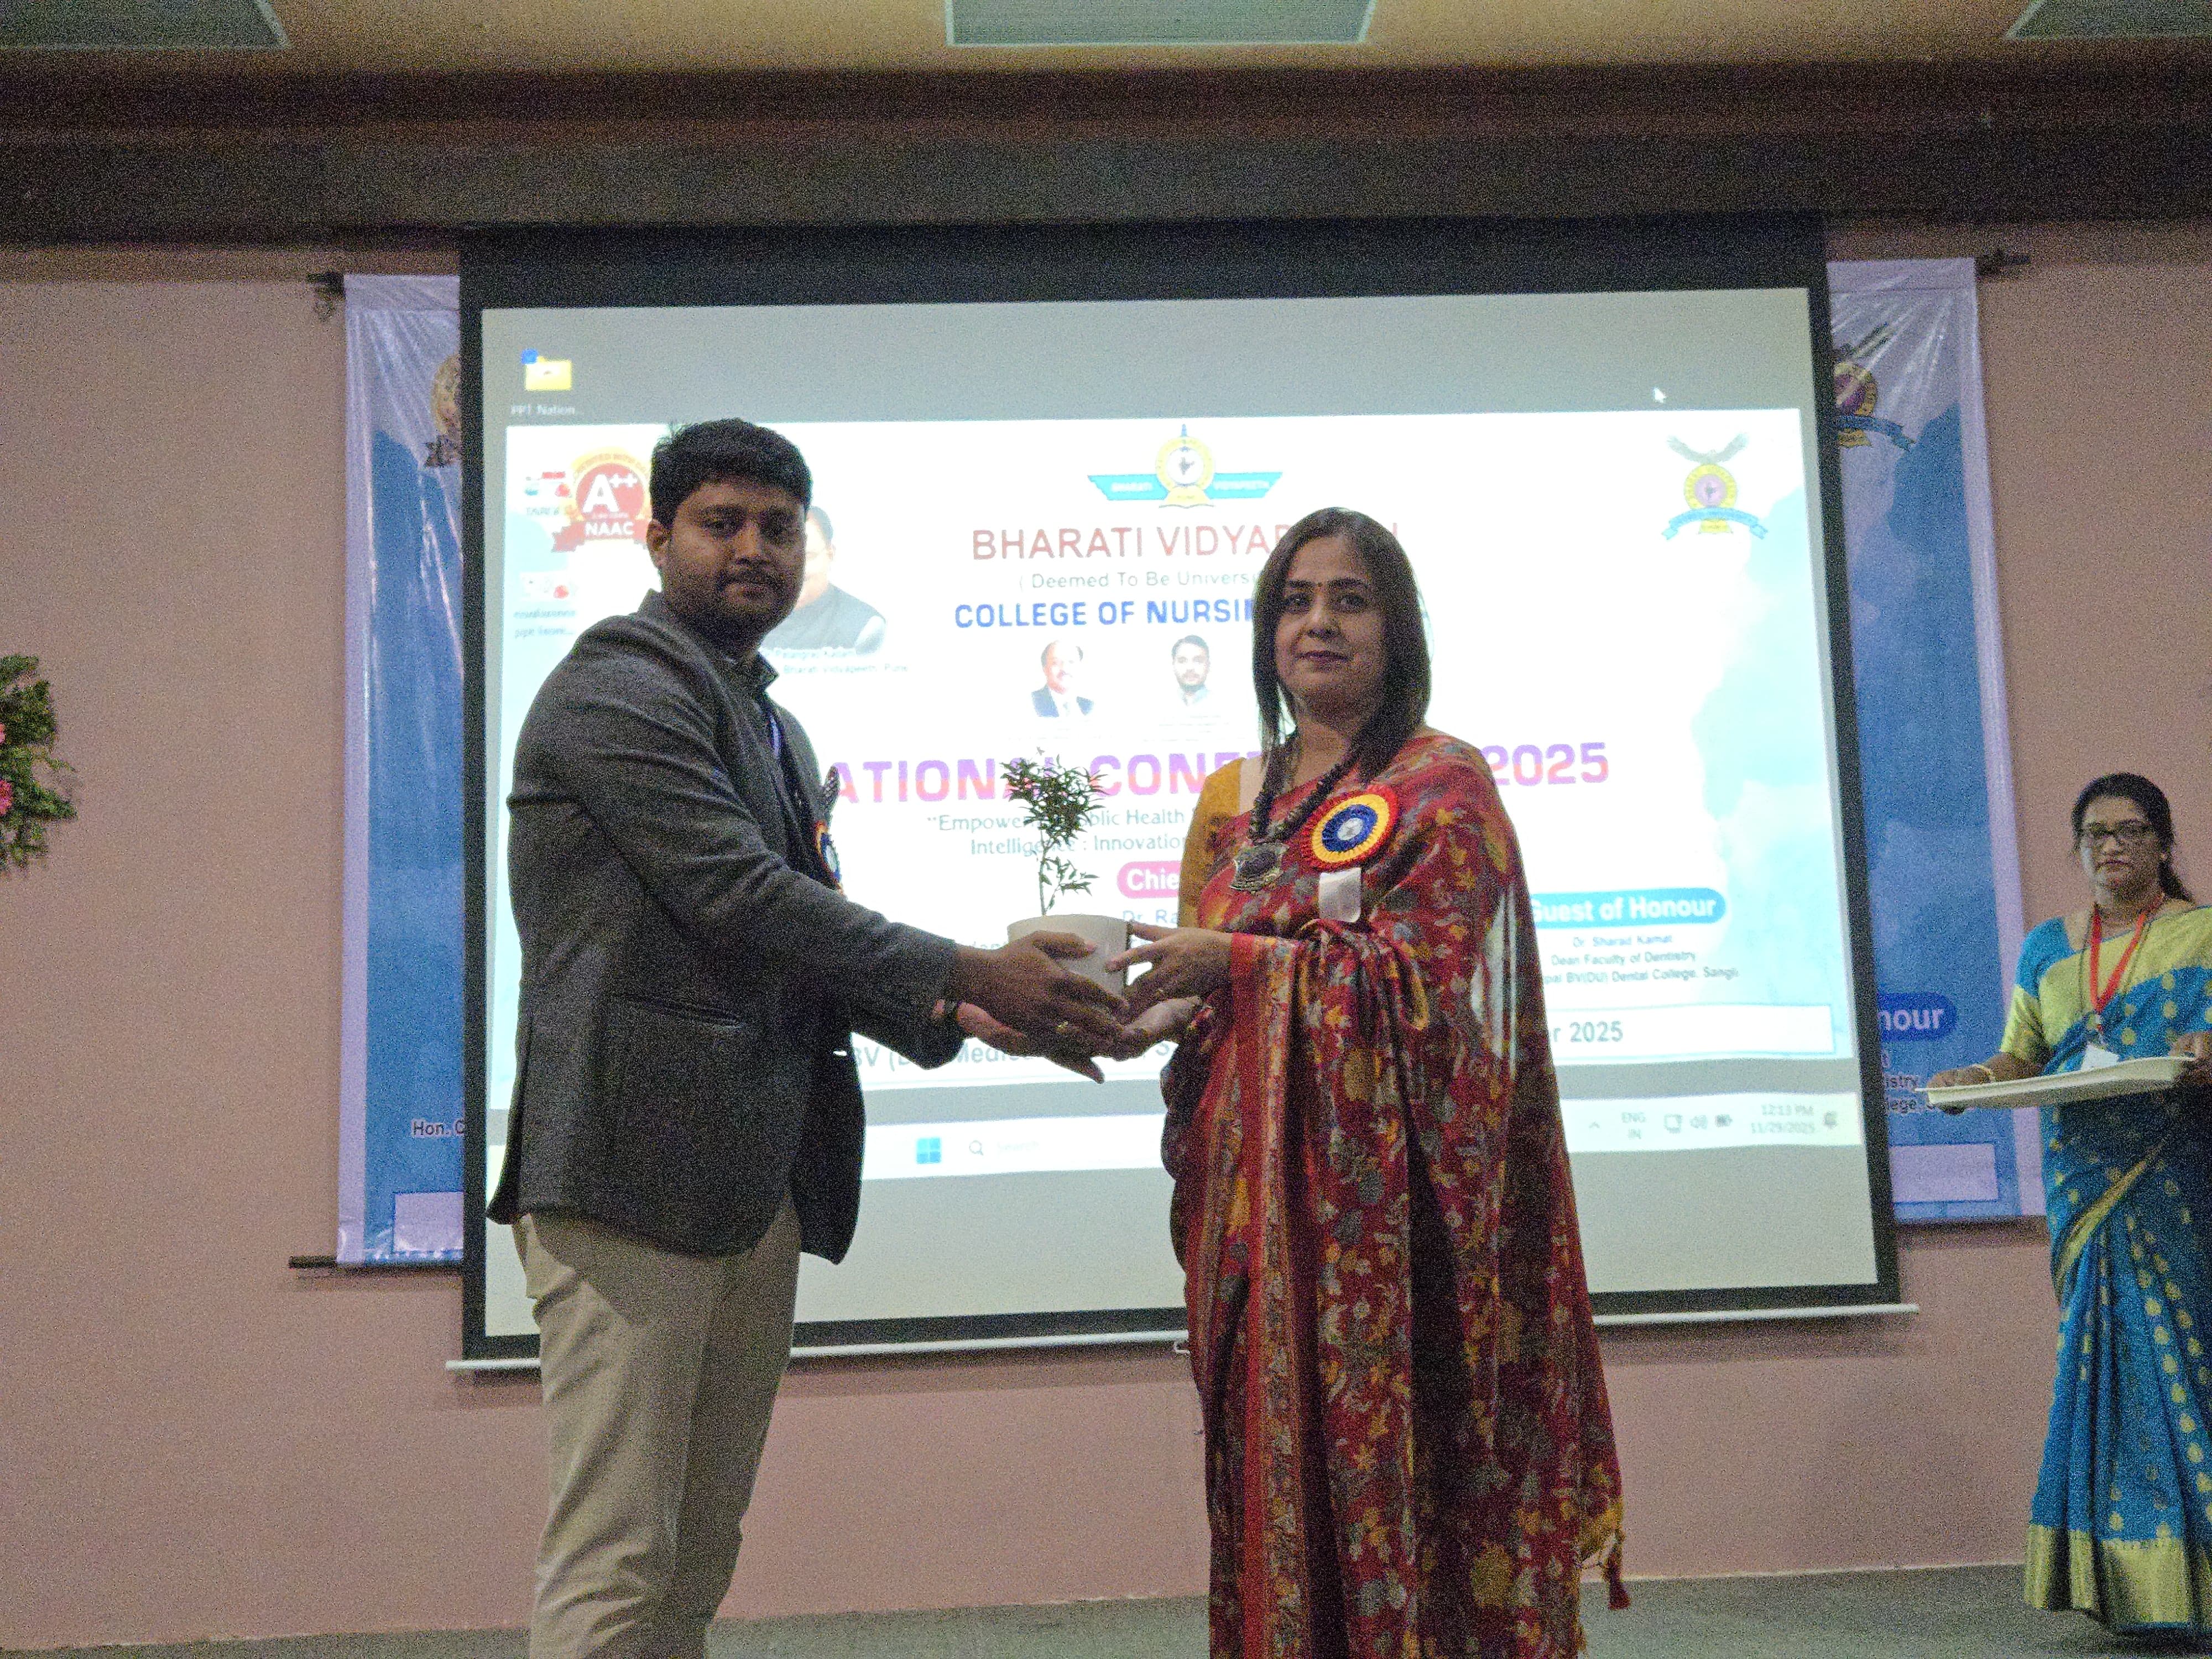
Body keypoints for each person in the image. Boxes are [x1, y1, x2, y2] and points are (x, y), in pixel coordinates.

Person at [488, 418, 1126, 1659]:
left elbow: (791, 947)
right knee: (618, 1558)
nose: (753, 550)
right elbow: (737, 894)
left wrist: (964, 1011)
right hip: (627, 1174)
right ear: (655, 537)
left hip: (749, 1182)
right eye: (720, 523)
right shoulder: (616, 686)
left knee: (695, 1556)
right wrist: (962, 965)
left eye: (778, 528)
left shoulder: (775, 722)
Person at [1107, 508, 1626, 1656]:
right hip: (1252, 1216)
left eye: (1350, 599)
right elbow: (1210, 992)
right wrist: (1124, 1007)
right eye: (1294, 601)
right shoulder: (1231, 800)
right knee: (1265, 1470)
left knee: (1406, 1474)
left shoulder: (1444, 785)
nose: (1319, 623)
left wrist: (1245, 964)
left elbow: (1441, 995)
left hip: (1401, 1233)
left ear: (1397, 631)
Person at [1929, 773, 2212, 1636]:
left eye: (2131, 830)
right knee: (2108, 1364)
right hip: (2083, 1181)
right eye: (2096, 833)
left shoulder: (2203, 934)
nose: (2112, 846)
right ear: (2078, 847)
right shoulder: (2047, 949)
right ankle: (2132, 1587)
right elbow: (2023, 1055)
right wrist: (1973, 1078)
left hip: (2173, 1177)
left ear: (2163, 844)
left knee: (2181, 1359)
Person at [762, 504, 886, 654]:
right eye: (786, 558)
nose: (796, 570)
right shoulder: (751, 614)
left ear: (830, 554)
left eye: (808, 556)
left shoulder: (863, 627)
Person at [1030, 637, 1093, 717]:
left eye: (1071, 662)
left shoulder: (1089, 706)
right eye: (1056, 663)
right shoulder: (1031, 703)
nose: (1065, 669)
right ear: (1045, 669)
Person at [1170, 633, 1211, 707]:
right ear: (1173, 665)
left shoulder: (1224, 705)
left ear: (1208, 666)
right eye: (1182, 661)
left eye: (1198, 661)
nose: (1190, 668)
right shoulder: (1161, 704)